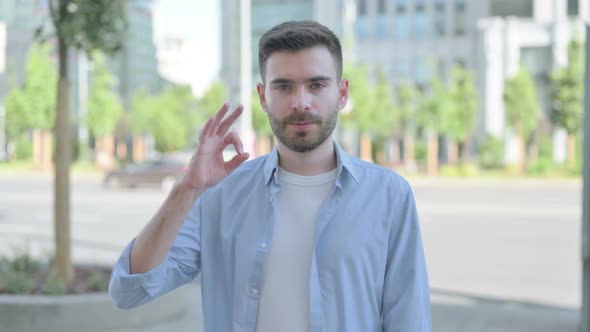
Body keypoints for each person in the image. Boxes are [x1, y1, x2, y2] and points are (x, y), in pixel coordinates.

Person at [109, 20, 431, 332]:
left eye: (317, 84)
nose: (300, 102)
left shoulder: (389, 195)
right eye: (283, 86)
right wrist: (186, 190)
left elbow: (409, 319)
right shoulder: (221, 195)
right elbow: (130, 289)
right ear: (263, 96)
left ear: (342, 93)